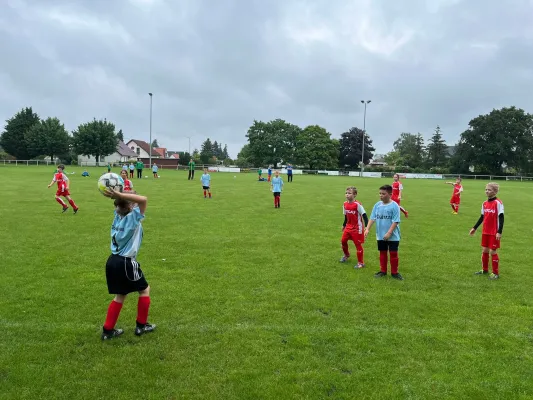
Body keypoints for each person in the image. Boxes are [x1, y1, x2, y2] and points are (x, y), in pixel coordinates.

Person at [101, 188, 155, 340]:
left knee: (120, 295)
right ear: (131, 206)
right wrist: (120, 195)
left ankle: (107, 330)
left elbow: (122, 204)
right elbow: (143, 199)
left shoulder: (117, 216)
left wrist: (118, 196)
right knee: (144, 290)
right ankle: (141, 326)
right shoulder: (133, 218)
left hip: (112, 260)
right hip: (126, 262)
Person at [364, 185, 403, 280]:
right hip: (380, 235)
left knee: (393, 253)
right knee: (383, 252)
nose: (381, 195)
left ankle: (394, 273)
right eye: (380, 193)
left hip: (393, 236)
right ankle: (383, 271)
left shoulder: (395, 206)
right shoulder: (377, 205)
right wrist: (367, 228)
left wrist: (389, 233)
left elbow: (396, 221)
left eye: (383, 194)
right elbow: (372, 217)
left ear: (390, 194)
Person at [469, 182, 504, 280]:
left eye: (489, 190)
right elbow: (482, 217)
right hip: (485, 231)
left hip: (494, 232)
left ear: (495, 191)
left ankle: (495, 273)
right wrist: (474, 228)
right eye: (486, 189)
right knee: (484, 250)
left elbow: (501, 217)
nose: (487, 191)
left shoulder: (498, 203)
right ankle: (484, 270)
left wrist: (499, 231)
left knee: (493, 252)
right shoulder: (484, 203)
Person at [340, 186, 368, 269]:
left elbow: (364, 216)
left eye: (349, 193)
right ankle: (346, 255)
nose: (347, 195)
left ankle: (361, 263)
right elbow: (346, 216)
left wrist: (366, 227)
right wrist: (344, 225)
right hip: (348, 227)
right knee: (343, 241)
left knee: (358, 245)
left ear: (355, 194)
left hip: (357, 228)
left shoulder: (357, 205)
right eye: (346, 193)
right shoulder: (345, 204)